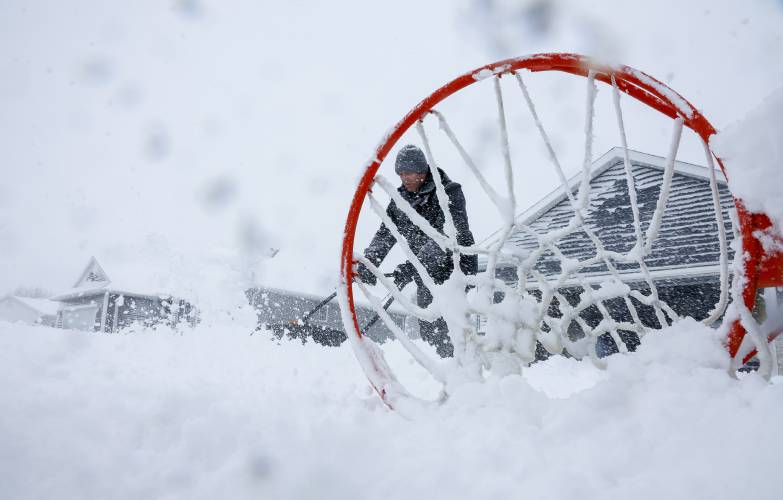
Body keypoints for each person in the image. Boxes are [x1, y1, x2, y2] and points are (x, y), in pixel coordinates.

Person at [356, 144, 478, 358]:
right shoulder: (400, 200)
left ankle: (458, 366)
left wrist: (413, 266)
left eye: (411, 173)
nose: (406, 179)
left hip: (456, 267)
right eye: (402, 174)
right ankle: (439, 365)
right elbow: (387, 231)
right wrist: (371, 261)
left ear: (423, 171)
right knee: (428, 322)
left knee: (446, 322)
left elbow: (448, 236)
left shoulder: (448, 192)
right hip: (424, 269)